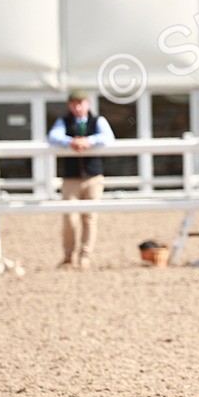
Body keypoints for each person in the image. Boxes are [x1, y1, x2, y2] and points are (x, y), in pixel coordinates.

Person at [48, 90, 114, 268]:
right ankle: (69, 255)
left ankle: (85, 255)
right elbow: (53, 136)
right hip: (71, 177)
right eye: (74, 103)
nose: (78, 107)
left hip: (93, 176)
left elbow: (108, 137)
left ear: (87, 103)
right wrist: (71, 141)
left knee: (90, 217)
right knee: (70, 217)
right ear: (70, 105)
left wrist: (88, 141)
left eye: (81, 103)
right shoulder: (64, 121)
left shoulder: (98, 121)